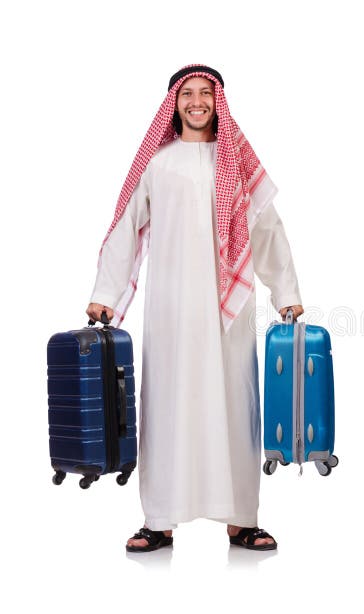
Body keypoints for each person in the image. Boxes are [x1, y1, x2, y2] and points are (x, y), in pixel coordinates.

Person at [86, 65, 303, 552]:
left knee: (235, 405)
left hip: (230, 312)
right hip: (172, 308)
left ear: (218, 101)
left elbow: (267, 232)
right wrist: (106, 292)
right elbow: (126, 227)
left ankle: (241, 518)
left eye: (207, 93)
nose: (198, 101)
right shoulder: (158, 163)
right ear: (175, 103)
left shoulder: (238, 165)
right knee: (168, 404)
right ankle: (158, 520)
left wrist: (285, 294)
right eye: (189, 94)